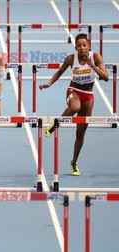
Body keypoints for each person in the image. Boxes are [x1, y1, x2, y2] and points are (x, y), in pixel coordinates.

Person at [39, 33, 108, 176]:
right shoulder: (71, 58)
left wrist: (92, 66)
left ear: (89, 46)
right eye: (79, 45)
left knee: (81, 133)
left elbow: (106, 77)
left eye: (84, 45)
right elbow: (59, 72)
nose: (82, 48)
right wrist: (49, 84)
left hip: (88, 95)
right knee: (75, 107)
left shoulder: (95, 57)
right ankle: (56, 123)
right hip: (74, 90)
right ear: (75, 47)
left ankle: (74, 163)